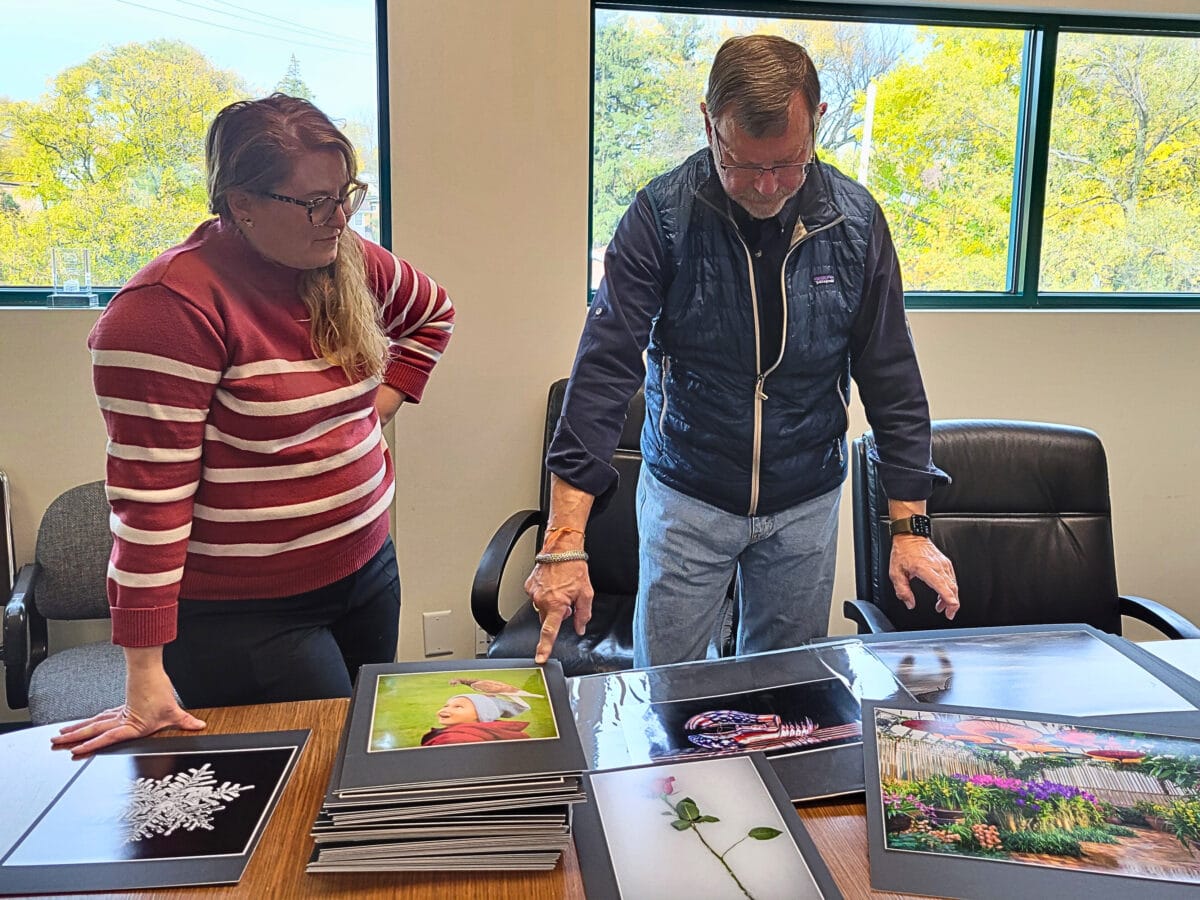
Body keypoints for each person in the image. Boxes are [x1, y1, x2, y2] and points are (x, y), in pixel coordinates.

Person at [526, 35, 958, 669]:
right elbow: (604, 369)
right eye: (741, 163)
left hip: (805, 500)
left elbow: (892, 376)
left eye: (787, 163)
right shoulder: (661, 218)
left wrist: (910, 529)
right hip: (688, 496)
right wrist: (564, 539)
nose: (764, 186)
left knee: (781, 696)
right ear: (708, 123)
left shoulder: (856, 222)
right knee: (666, 690)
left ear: (817, 123)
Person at [53, 94, 455, 757]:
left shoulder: (345, 258)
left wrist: (368, 415)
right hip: (248, 617)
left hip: (368, 571)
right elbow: (150, 507)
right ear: (241, 202)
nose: (339, 218)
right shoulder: (165, 311)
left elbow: (432, 316)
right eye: (315, 202)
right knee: (310, 782)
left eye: (346, 193)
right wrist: (143, 674)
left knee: (362, 759)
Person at [420, 694, 532, 746]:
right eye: (445, 706)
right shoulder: (489, 731)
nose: (445, 710)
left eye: (458, 707)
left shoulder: (453, 740)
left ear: (480, 715)